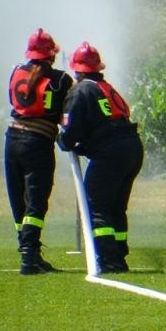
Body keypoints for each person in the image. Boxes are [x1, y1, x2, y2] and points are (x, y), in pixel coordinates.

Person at [57, 42, 143, 274]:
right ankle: (119, 256)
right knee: (116, 207)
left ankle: (108, 259)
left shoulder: (80, 91)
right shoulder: (104, 87)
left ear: (78, 69)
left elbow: (71, 130)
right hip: (131, 148)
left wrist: (63, 140)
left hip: (110, 153)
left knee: (96, 206)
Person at [6, 28, 75, 274]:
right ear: (51, 55)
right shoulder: (61, 79)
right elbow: (66, 114)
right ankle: (30, 258)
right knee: (36, 201)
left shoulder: (16, 71)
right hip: (38, 142)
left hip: (12, 140)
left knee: (18, 200)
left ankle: (29, 252)